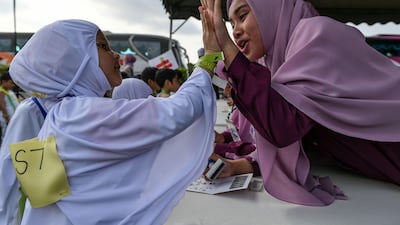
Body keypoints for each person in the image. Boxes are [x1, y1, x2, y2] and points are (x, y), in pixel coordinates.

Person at [0, 19, 216, 225]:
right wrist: (208, 59)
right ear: (74, 60)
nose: (115, 54)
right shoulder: (65, 112)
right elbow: (178, 111)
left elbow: (54, 187)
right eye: (102, 46)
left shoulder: (63, 111)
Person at [199, 0, 400, 206]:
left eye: (242, 17)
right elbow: (279, 136)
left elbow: (283, 125)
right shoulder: (276, 61)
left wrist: (225, 45)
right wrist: (236, 163)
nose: (235, 31)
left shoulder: (319, 36)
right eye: (231, 24)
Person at [0, 72, 19, 144]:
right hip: (7, 119)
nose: (13, 85)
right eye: (11, 83)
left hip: (12, 117)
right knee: (7, 135)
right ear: (4, 82)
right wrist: (7, 119)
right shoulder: (1, 92)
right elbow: (2, 105)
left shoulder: (9, 91)